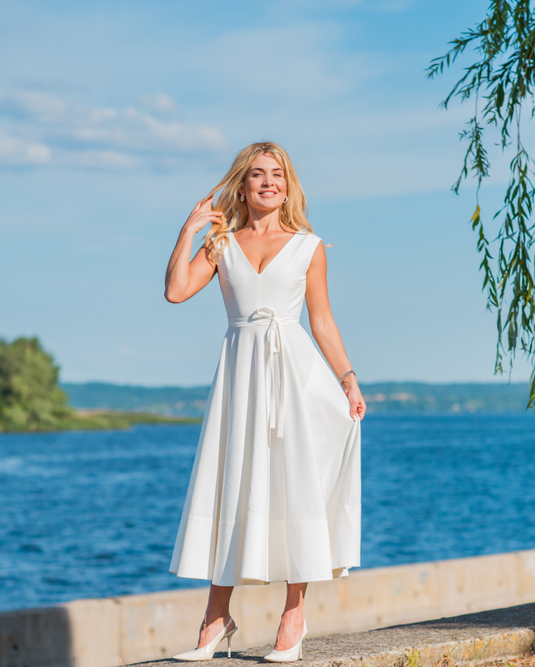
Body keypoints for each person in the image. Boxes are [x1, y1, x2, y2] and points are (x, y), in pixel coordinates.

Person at [164, 142, 365, 662]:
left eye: (276, 174)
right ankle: (215, 620)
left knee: (294, 486)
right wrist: (189, 230)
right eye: (257, 175)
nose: (267, 182)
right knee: (229, 485)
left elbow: (320, 319)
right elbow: (176, 291)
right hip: (239, 377)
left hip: (293, 376)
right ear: (243, 184)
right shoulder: (221, 242)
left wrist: (347, 378)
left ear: (288, 184)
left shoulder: (308, 246)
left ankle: (293, 617)